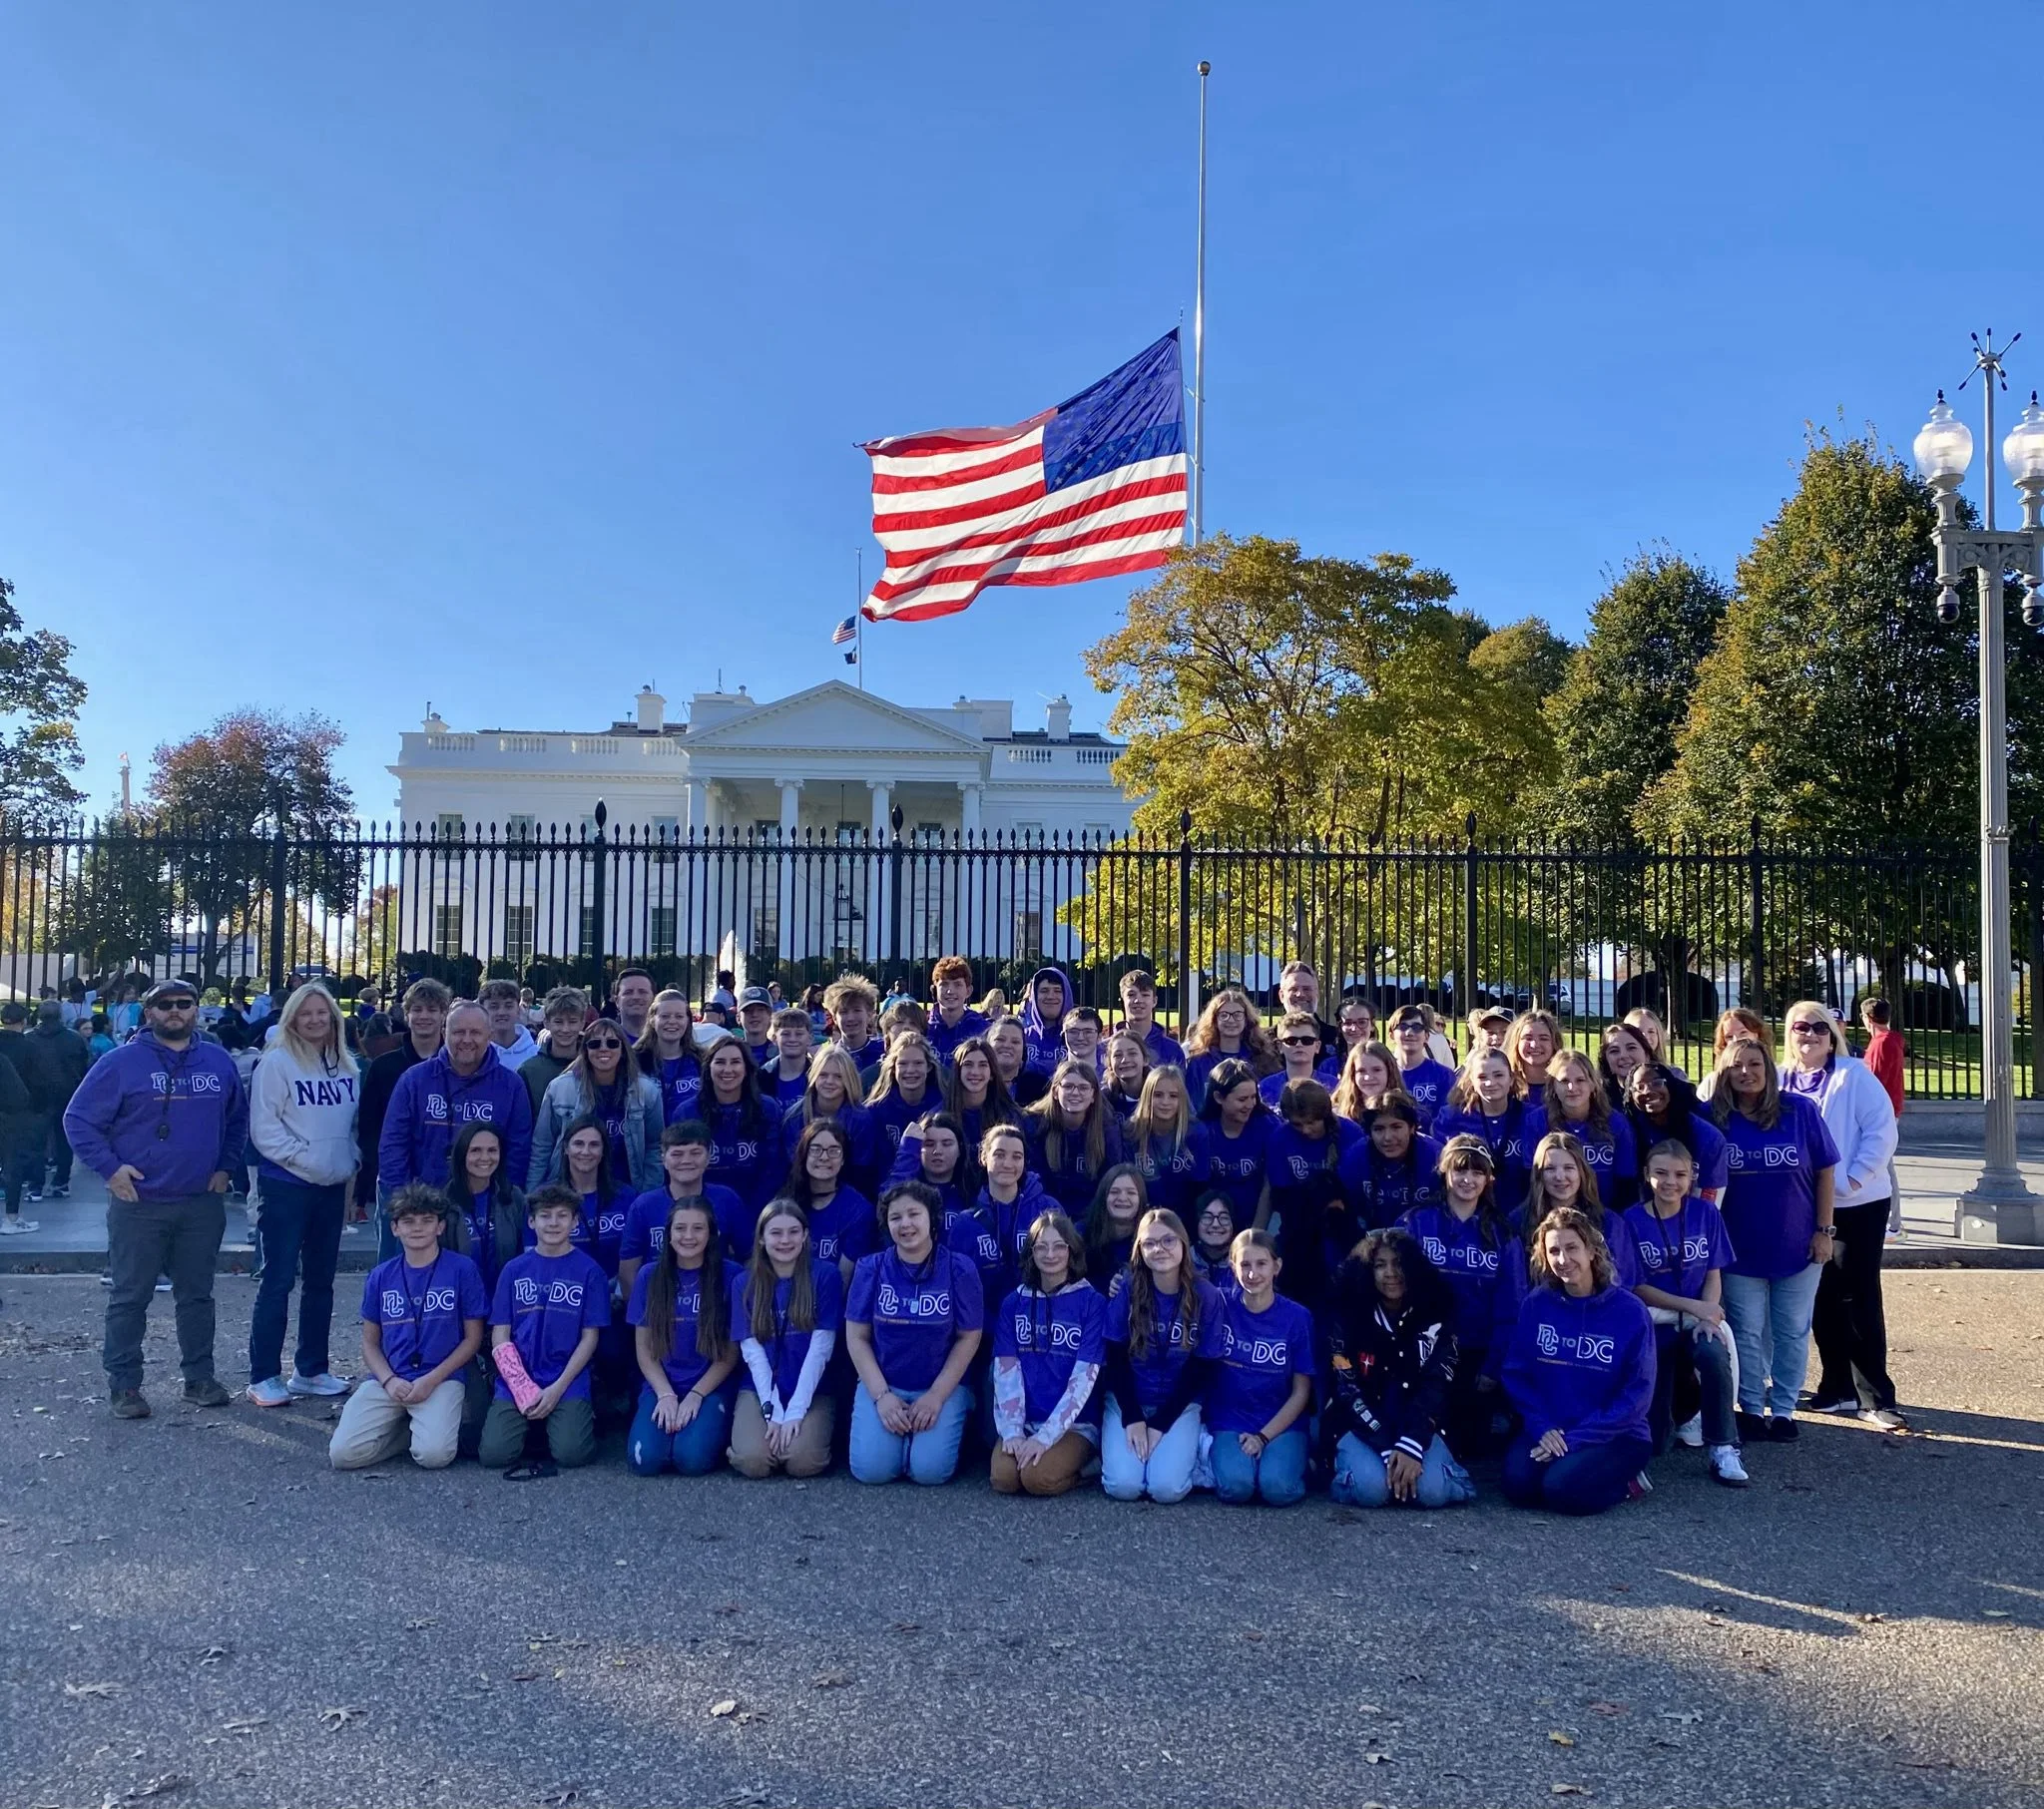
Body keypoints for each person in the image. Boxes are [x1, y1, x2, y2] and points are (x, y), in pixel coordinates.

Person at [64, 979, 246, 1418]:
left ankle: (199, 1378)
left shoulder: (218, 1062)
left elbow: (238, 1120)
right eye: (165, 1005)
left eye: (184, 1004)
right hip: (139, 1204)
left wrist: (225, 1168)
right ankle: (125, 1385)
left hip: (200, 1203)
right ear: (149, 1013)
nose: (175, 1011)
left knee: (197, 1296)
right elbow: (77, 1120)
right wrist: (110, 1170)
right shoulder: (120, 1063)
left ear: (197, 1010)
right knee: (130, 1297)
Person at [1780, 1003, 1902, 1428]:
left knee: (1859, 1295)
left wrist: (1849, 1180)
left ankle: (1875, 1396)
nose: (1809, 1035)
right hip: (1804, 1206)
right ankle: (1835, 1388)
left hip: (1858, 1204)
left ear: (1833, 1035)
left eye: (1819, 1028)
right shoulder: (1779, 1080)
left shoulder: (1855, 1076)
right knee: (1821, 1296)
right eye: (1800, 1027)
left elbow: (1882, 1131)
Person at [1711, 1035, 1838, 1442]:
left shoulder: (1799, 1111)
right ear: (1724, 1073)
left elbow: (1825, 1172)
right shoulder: (1714, 1117)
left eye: (1754, 1064)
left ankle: (1783, 1408)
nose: (1746, 1073)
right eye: (1736, 1066)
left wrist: (1824, 1231)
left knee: (1792, 1330)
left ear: (1768, 1068)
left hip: (1798, 1244)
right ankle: (1749, 1406)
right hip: (1738, 1247)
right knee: (1746, 1331)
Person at [245, 984, 359, 1406]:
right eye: (306, 1013)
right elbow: (264, 1128)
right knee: (277, 1280)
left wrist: (347, 1161)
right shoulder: (275, 1062)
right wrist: (304, 1159)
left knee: (321, 1283)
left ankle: (311, 1369)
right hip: (287, 1186)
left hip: (330, 1188)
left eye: (323, 1013)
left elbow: (349, 1126)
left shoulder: (347, 1065)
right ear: (292, 1017)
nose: (314, 1020)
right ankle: (264, 1375)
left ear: (334, 1018)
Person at [1501, 1206, 1657, 1516]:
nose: (1563, 1259)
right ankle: (1568, 1467)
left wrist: (1575, 1439)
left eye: (1571, 1248)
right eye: (1554, 1250)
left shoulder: (1630, 1311)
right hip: (1552, 1429)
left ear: (1591, 1251)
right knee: (1518, 1485)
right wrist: (1542, 1427)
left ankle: (1629, 1483)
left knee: (1562, 1491)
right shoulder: (1537, 1304)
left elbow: (1638, 1395)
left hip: (1617, 1435)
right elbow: (1517, 1375)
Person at [329, 1184, 486, 1471]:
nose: (417, 1228)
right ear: (394, 1229)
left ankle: (418, 1429)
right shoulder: (380, 1276)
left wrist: (432, 1379)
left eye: (427, 1221)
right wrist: (389, 1380)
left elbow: (472, 1339)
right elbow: (370, 1343)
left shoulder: (462, 1269)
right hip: (390, 1379)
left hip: (441, 1377)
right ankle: (406, 1430)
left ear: (440, 1227)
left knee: (434, 1456)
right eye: (408, 1222)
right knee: (342, 1455)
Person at [844, 1180, 985, 1485]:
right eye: (895, 1218)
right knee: (872, 1471)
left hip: (940, 1386)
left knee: (929, 1472)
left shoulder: (959, 1268)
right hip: (886, 1385)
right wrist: (882, 1397)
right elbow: (856, 1337)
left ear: (931, 1219)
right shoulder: (871, 1267)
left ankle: (951, 1420)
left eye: (914, 1214)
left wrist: (936, 1396)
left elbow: (969, 1337)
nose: (905, 1224)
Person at [1324, 1227, 1475, 1509]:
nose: (1390, 1273)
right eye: (1380, 1265)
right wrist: (1383, 1444)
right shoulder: (1346, 1317)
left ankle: (1444, 1475)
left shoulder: (1435, 1314)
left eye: (1398, 1264)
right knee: (1372, 1491)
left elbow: (1438, 1384)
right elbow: (1346, 1389)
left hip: (1420, 1426)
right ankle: (1345, 1472)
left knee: (1431, 1493)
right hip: (1360, 1425)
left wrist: (1411, 1443)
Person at [1626, 1138, 1747, 1487]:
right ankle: (1643, 1443)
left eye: (1679, 1174)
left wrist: (1708, 1316)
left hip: (1696, 1321)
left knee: (1712, 1354)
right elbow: (1637, 1286)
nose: (1670, 1182)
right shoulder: (1631, 1221)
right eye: (1660, 1173)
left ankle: (1723, 1446)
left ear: (1691, 1177)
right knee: (1658, 1439)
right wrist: (1693, 1306)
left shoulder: (1705, 1214)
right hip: (1654, 1322)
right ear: (1646, 1175)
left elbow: (1713, 1275)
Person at [1398, 1136, 1522, 1460]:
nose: (1468, 1180)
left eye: (1478, 1173)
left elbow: (1511, 1307)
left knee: (1468, 1451)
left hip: (1474, 1354)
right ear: (1443, 1171)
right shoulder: (1415, 1222)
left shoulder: (1503, 1233)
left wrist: (1493, 1368)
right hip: (1420, 1347)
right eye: (1460, 1170)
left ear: (1489, 1179)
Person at [479, 1186, 609, 1471]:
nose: (553, 1223)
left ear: (575, 1222)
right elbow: (500, 1334)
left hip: (567, 1378)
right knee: (494, 1456)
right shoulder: (514, 1270)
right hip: (518, 1377)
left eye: (562, 1216)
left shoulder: (590, 1272)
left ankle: (567, 1420)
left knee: (572, 1455)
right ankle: (535, 1427)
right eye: (545, 1216)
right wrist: (521, 1385)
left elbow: (590, 1338)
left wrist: (556, 1389)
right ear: (531, 1221)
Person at [1100, 1207, 1222, 1503]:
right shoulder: (1129, 1287)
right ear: (1139, 1250)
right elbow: (1114, 1355)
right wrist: (1133, 1416)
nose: (1160, 1249)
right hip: (1130, 1401)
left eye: (1168, 1241)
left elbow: (1204, 1366)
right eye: (1150, 1243)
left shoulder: (1206, 1294)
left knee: (1166, 1490)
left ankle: (1193, 1455)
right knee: (1123, 1487)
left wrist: (1161, 1422)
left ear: (1183, 1244)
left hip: (1179, 1404)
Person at [990, 1209, 1107, 1496]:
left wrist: (1046, 1438)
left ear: (1071, 1251)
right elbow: (1006, 1372)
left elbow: (1084, 1377)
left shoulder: (1092, 1303)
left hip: (1074, 1426)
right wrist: (1014, 1432)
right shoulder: (1012, 1303)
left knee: (1037, 1479)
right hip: (1025, 1420)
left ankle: (1088, 1466)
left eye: (1058, 1246)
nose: (1050, 1254)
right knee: (1004, 1479)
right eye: (1041, 1246)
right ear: (1031, 1253)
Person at [624, 1195, 742, 1477]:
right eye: (680, 1228)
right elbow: (644, 1348)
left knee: (692, 1460)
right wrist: (665, 1394)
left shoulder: (732, 1275)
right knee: (645, 1461)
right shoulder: (649, 1276)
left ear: (712, 1233)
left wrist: (696, 1395)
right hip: (661, 1383)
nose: (688, 1236)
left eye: (698, 1228)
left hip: (710, 1385)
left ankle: (711, 1426)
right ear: (668, 1233)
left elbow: (730, 1353)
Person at [729, 1199, 842, 1478]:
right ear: (761, 1239)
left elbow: (821, 1349)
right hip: (760, 1388)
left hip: (812, 1388)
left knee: (802, 1462)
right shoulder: (744, 1282)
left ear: (805, 1236)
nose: (785, 1240)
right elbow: (753, 1354)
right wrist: (774, 1412)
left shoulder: (826, 1275)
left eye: (793, 1232)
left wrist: (795, 1412)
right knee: (753, 1462)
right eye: (775, 1233)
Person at [378, 1002, 533, 1200]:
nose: (467, 1040)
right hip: (423, 1204)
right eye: (459, 1032)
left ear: (490, 1035)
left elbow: (518, 1150)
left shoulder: (511, 1085)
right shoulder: (414, 1080)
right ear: (444, 1033)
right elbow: (393, 1144)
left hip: (486, 1205)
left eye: (475, 1033)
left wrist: (503, 1199)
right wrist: (402, 1198)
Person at [1208, 1228, 1315, 1506]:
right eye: (1244, 1265)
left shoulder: (1297, 1318)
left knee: (1276, 1489)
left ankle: (1303, 1464)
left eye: (1261, 1264)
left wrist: (1263, 1437)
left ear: (1277, 1266)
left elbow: (1301, 1392)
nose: (1252, 1274)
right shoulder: (1219, 1304)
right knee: (1237, 1488)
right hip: (1230, 1420)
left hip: (1281, 1423)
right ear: (1233, 1267)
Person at [528, 1021, 662, 1194]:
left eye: (612, 1043)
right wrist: (532, 1194)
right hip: (569, 1192)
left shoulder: (646, 1091)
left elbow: (655, 1146)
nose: (603, 1049)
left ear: (623, 1050)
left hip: (628, 1189)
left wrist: (647, 1194)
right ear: (585, 1050)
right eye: (594, 1044)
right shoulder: (560, 1088)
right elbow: (542, 1145)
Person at [356, 979, 450, 1210]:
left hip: (447, 1180)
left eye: (432, 1009)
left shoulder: (458, 1067)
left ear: (443, 1015)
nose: (424, 1016)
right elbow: (368, 1125)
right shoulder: (384, 1066)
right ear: (406, 1015)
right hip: (395, 1178)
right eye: (417, 1009)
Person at [621, 1121, 747, 1288]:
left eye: (695, 1153)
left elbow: (749, 1257)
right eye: (677, 1154)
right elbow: (628, 1271)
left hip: (716, 1300)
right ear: (663, 1159)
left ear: (709, 1157)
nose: (686, 1160)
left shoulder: (727, 1200)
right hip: (659, 1301)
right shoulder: (643, 1206)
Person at [1517, 1130, 1641, 1287]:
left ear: (1582, 1173)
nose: (1560, 1177)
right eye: (1550, 1169)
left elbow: (1624, 1282)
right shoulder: (1519, 1222)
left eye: (1569, 1168)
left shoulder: (1609, 1223)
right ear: (1539, 1175)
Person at [1432, 1048, 1542, 1216]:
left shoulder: (1533, 1117)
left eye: (1498, 1075)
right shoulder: (1451, 1118)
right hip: (1470, 1215)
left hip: (1523, 1214)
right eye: (1482, 1077)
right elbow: (1441, 1172)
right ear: (1472, 1082)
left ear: (1511, 1078)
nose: (1490, 1083)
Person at [697, 1034, 788, 1230]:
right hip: (704, 1216)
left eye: (736, 1062)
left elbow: (773, 1171)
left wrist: (751, 1218)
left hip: (757, 1211)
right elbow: (685, 1171)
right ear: (708, 1067)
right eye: (720, 1062)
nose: (727, 1069)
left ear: (746, 1068)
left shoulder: (768, 1109)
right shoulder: (688, 1111)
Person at [1023, 1059, 1125, 1215]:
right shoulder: (1034, 1124)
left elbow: (1109, 1180)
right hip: (1045, 1213)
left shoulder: (1107, 1127)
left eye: (1083, 1087)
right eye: (1068, 1086)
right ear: (1056, 1092)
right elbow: (1035, 1180)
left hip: (1092, 1215)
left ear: (1093, 1095)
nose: (1075, 1093)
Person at [1543, 1048, 1640, 1210]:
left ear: (1593, 1084)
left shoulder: (1616, 1122)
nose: (1572, 1087)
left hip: (1605, 1213)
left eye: (1580, 1080)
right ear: (1553, 1086)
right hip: (1553, 1215)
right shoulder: (1537, 1122)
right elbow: (1532, 1181)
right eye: (1564, 1081)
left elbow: (1627, 1182)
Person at [784, 1044, 884, 1196]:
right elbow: (792, 1167)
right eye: (823, 1075)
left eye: (838, 1076)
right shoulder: (794, 1116)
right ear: (814, 1077)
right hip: (802, 1191)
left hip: (848, 1192)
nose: (830, 1081)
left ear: (848, 1080)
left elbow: (862, 1172)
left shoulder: (861, 1119)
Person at [443, 1120, 526, 1298]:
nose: (485, 1158)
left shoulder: (514, 1198)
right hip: (460, 1306)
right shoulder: (443, 1204)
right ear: (461, 1154)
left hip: (506, 1304)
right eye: (475, 1150)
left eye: (492, 1150)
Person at [1624, 1062, 1728, 1201]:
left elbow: (1711, 1193)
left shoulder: (1707, 1136)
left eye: (1657, 1083)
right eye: (1639, 1087)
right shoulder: (1628, 1131)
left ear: (1671, 1086)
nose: (1647, 1091)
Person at [1190, 1059, 1273, 1231]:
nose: (1250, 1105)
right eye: (1242, 1099)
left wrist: (1256, 1231)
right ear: (1219, 1097)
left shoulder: (1268, 1126)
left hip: (1257, 1221)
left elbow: (1269, 1185)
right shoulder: (1201, 1131)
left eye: (1253, 1097)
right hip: (1212, 1224)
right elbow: (1197, 1189)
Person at [1336, 1095, 1442, 1228]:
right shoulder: (1355, 1157)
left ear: (1412, 1128)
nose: (1387, 1137)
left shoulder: (1436, 1156)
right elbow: (1346, 1210)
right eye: (1378, 1129)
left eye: (1396, 1127)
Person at [23, 1000, 89, 1202]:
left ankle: (35, 1186)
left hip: (36, 1095)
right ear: (60, 1016)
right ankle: (61, 1183)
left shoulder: (29, 1039)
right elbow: (85, 1065)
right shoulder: (74, 1038)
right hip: (66, 1093)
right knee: (63, 1141)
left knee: (36, 1143)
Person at [1125, 1065, 1199, 1215]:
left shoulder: (1196, 1132)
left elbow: (1201, 1188)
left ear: (1182, 1099)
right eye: (1158, 1095)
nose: (1165, 1102)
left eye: (1173, 1096)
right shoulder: (1130, 1131)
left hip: (1186, 1217)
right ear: (1147, 1096)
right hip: (1139, 1216)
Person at [1859, 996, 1905, 1237]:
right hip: (1890, 1110)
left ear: (1868, 1018)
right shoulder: (1893, 1040)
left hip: (1880, 1113)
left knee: (1884, 1167)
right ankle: (1893, 1221)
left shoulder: (1880, 1044)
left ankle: (1894, 1223)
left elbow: (1873, 1082)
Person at [1183, 988, 1279, 1101]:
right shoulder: (1198, 1062)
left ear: (1246, 1019)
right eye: (1224, 1015)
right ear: (1214, 1020)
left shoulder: (1262, 1060)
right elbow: (1192, 1103)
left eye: (1237, 1014)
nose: (1231, 1020)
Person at [864, 1032, 942, 1161]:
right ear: (893, 1068)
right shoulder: (875, 1111)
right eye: (903, 1064)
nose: (910, 1070)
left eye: (918, 1063)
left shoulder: (942, 1107)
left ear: (928, 1066)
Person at [634, 989, 703, 1126]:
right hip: (649, 1143)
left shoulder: (701, 1060)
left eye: (679, 1016)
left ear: (688, 1021)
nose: (672, 1021)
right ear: (652, 1020)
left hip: (691, 1142)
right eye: (665, 1016)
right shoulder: (634, 1060)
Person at [0, 1004, 41, 1230]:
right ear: (23, 1022)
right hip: (16, 1112)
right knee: (13, 1164)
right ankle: (12, 1217)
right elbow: (39, 1082)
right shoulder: (29, 1047)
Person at [942, 1035, 1022, 1149]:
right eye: (968, 1065)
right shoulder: (940, 1114)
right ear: (958, 1072)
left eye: (983, 1065)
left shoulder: (1010, 1115)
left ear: (992, 1073)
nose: (975, 1072)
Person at [522, 987, 591, 1118]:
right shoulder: (528, 1071)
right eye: (558, 1022)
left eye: (572, 1022)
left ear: (582, 1023)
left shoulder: (594, 1066)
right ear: (546, 1023)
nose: (565, 1029)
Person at [1387, 1004, 1456, 1132]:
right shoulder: (1384, 1074)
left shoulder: (1444, 1075)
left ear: (1427, 1036)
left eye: (1417, 1027)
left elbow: (1451, 1120)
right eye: (1403, 1027)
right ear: (1391, 1034)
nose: (1409, 1033)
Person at [1081, 1162, 1148, 1288]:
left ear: (1141, 1199)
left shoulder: (1151, 1237)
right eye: (1114, 1192)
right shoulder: (1081, 1233)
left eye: (1131, 1193)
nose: (1122, 1198)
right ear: (1103, 1197)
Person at [1327, 1039, 1410, 1127]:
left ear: (1389, 1071)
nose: (1368, 1077)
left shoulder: (1409, 1110)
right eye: (1361, 1071)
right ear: (1352, 1075)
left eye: (1376, 1070)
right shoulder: (1337, 1115)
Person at [1274, 960, 1341, 1066]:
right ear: (1281, 996)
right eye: (1293, 989)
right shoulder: (1265, 1042)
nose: (1300, 994)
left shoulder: (1336, 1038)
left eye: (1307, 989)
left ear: (1317, 994)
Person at [1116, 969, 1184, 1070]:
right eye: (1131, 995)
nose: (1138, 1000)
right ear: (1122, 1001)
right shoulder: (1106, 1048)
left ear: (1154, 1001)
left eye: (1145, 995)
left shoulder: (1172, 1049)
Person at [925, 955, 988, 1063]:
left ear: (968, 991)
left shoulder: (984, 1030)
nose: (950, 991)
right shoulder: (923, 1028)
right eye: (944, 984)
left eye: (957, 985)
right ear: (935, 989)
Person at [1018, 965, 1076, 1080]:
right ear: (1034, 996)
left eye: (1057, 990)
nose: (1050, 996)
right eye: (1044, 991)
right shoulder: (1022, 1037)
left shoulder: (1078, 1035)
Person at [1263, 1011, 1330, 1108]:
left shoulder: (1334, 1086)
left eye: (1307, 1040)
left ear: (1317, 1046)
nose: (1299, 1045)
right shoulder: (1266, 1087)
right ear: (1280, 1046)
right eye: (1291, 1041)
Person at [823, 976, 885, 1076]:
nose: (851, 1018)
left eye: (857, 1010)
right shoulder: (828, 1055)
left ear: (870, 1014)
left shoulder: (884, 1050)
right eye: (843, 1012)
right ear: (834, 1018)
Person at [477, 979, 538, 1070]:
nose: (501, 1012)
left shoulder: (536, 1054)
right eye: (494, 1006)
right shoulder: (475, 1054)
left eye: (508, 1006)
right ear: (482, 1010)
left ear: (518, 1009)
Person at [1504, 1008, 1561, 1103]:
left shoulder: (1566, 1086)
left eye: (1543, 1038)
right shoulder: (1503, 1085)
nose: (1534, 1045)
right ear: (1516, 1042)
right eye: (1528, 1038)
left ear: (1555, 1043)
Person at [763, 1008, 815, 1109]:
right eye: (785, 1034)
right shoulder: (763, 1075)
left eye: (799, 1034)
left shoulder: (818, 1075)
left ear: (810, 1039)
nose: (792, 1039)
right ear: (774, 1039)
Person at [988, 1017, 1043, 1108]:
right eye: (1000, 1039)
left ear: (1023, 1051)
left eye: (1015, 1042)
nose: (1007, 1045)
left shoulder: (1039, 1087)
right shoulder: (977, 1083)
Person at [1599, 1021, 1654, 1111]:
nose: (1623, 1055)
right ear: (1606, 1060)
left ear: (1647, 1054)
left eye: (1631, 1048)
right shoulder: (1599, 1097)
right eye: (1614, 1051)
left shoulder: (1667, 1088)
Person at [1102, 1032, 1149, 1122]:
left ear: (1145, 1059)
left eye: (1132, 1053)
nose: (1124, 1060)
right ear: (1110, 1064)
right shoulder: (1104, 1100)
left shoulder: (1159, 1094)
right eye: (1118, 1055)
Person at [608, 968, 657, 1045]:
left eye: (642, 992)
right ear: (617, 1001)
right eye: (628, 992)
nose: (636, 997)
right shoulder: (605, 1042)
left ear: (654, 999)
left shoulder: (668, 1041)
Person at [736, 987, 776, 1066]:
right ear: (738, 1018)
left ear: (770, 1016)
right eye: (747, 1010)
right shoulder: (729, 1054)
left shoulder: (781, 1055)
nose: (754, 1014)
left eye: (761, 1010)